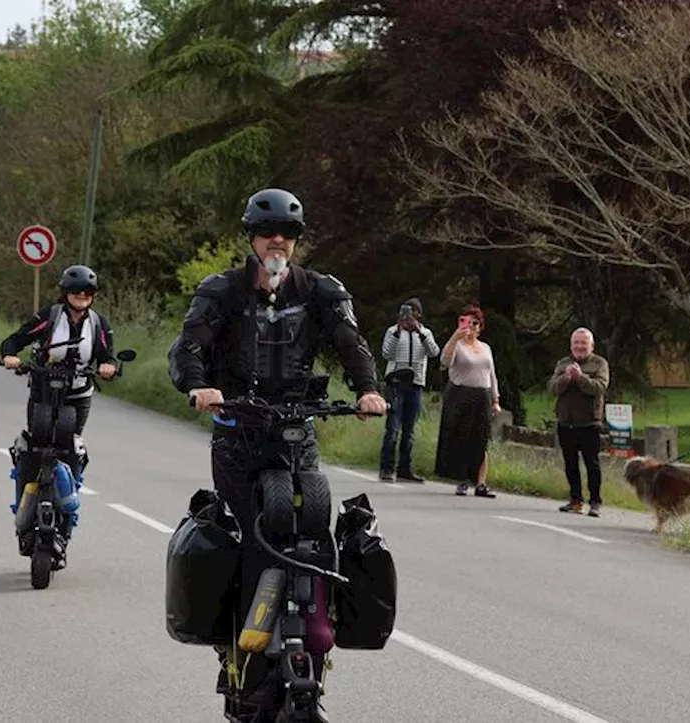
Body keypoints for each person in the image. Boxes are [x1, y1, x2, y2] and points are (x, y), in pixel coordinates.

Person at [167, 187, 387, 722]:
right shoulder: (222, 290)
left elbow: (350, 341)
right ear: (251, 237)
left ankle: (313, 649)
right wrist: (198, 385)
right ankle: (240, 659)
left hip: (297, 429)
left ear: (297, 241)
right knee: (251, 540)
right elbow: (189, 344)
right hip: (238, 431)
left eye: (287, 234)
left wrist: (367, 389)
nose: (277, 241)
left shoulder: (321, 291)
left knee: (315, 537)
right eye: (268, 233)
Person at [0, 265, 117, 545]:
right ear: (65, 294)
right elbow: (15, 339)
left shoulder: (99, 324)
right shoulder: (49, 317)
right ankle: (24, 511)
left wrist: (108, 367)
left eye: (87, 292)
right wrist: (10, 356)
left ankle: (67, 515)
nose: (82, 297)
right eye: (76, 292)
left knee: (72, 448)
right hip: (43, 392)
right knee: (34, 447)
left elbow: (107, 355)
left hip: (78, 395)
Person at [434, 303, 501, 498]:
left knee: (481, 439)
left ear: (480, 327)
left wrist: (495, 399)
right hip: (460, 394)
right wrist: (456, 336)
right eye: (466, 322)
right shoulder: (457, 346)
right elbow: (445, 362)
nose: (470, 328)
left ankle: (481, 482)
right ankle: (462, 479)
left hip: (482, 395)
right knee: (462, 438)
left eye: (474, 324)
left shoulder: (485, 348)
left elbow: (492, 374)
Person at [547, 327, 610, 517]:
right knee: (570, 464)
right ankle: (575, 500)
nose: (579, 347)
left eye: (583, 343)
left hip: (589, 423)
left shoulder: (599, 364)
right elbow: (552, 389)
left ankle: (595, 502)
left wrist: (581, 377)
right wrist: (566, 377)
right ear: (571, 345)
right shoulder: (563, 363)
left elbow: (599, 388)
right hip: (566, 422)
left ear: (591, 345)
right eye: (576, 343)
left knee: (592, 464)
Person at [378, 297, 440, 482]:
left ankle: (405, 468)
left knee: (409, 429)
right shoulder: (392, 331)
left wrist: (419, 332)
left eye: (412, 312)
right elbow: (387, 353)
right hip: (396, 383)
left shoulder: (426, 332)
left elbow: (433, 352)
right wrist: (398, 331)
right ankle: (386, 468)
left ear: (418, 315)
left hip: (416, 384)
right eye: (404, 312)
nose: (408, 317)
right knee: (393, 428)